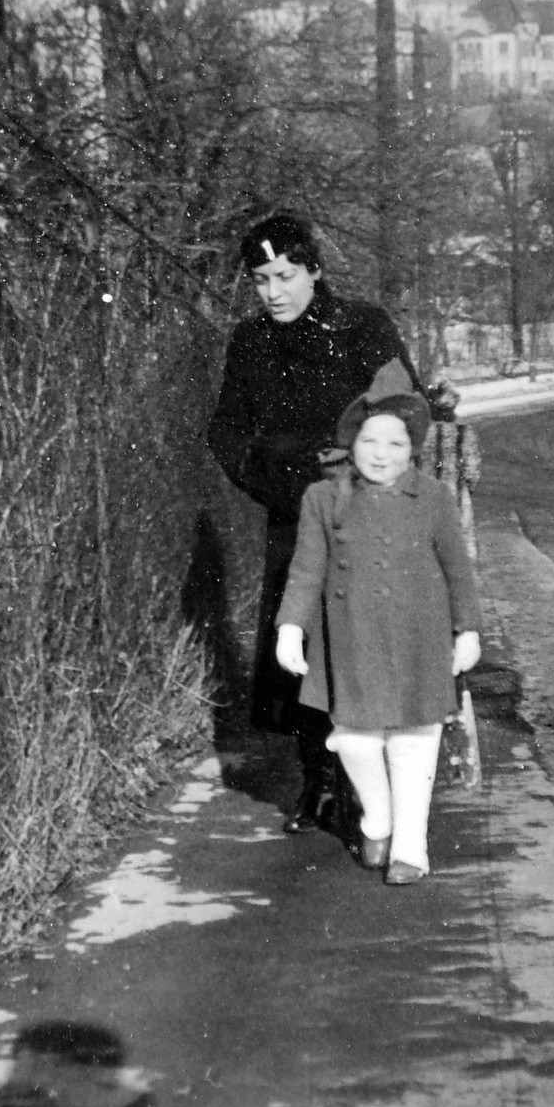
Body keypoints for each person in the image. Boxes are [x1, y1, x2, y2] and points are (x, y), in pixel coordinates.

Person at [207, 213, 420, 834]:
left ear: (314, 271)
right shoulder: (250, 343)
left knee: (363, 644)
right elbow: (226, 431)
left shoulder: (362, 328)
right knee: (299, 648)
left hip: (364, 513)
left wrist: (364, 468)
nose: (273, 292)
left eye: (285, 276)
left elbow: (404, 407)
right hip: (294, 517)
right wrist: (272, 480)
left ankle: (370, 787)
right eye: (260, 280)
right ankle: (317, 781)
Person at [273, 362, 482, 884]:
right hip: (351, 636)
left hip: (419, 636)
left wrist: (469, 629)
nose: (381, 454)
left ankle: (410, 841)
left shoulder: (432, 497)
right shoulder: (323, 498)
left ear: (412, 449)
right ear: (352, 443)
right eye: (370, 441)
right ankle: (378, 816)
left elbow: (458, 569)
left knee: (415, 736)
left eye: (394, 444)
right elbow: (305, 569)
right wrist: (290, 627)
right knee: (357, 739)